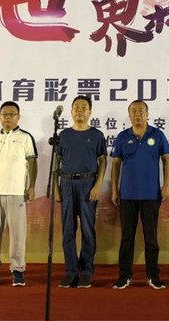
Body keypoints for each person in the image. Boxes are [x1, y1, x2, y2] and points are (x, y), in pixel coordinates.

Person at [110, 100, 169, 290]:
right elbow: (116, 164)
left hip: (151, 194)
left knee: (151, 238)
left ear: (147, 114)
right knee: (126, 238)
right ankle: (124, 275)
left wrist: (166, 186)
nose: (138, 114)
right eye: (134, 111)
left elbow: (166, 161)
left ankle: (153, 275)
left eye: (141, 111)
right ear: (129, 115)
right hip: (127, 195)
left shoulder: (157, 134)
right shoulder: (123, 136)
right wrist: (114, 189)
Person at [0, 101, 38, 287]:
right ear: (0, 117)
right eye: (5, 114)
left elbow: (32, 163)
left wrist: (31, 186)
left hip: (16, 192)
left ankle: (17, 269)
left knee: (17, 233)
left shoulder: (25, 138)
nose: (8, 117)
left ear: (18, 117)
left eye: (12, 114)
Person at [54, 96, 107, 289]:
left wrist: (97, 185)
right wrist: (56, 188)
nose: (80, 110)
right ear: (71, 111)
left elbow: (103, 161)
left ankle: (86, 271)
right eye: (76, 107)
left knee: (87, 229)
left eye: (84, 107)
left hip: (87, 183)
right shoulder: (63, 135)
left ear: (90, 112)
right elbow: (56, 163)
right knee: (68, 229)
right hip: (67, 184)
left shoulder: (96, 135)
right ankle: (70, 271)